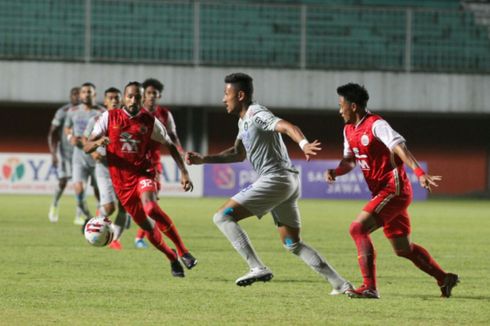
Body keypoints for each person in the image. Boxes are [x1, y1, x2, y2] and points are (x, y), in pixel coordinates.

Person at [186, 73, 352, 293]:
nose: (223, 99)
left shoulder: (256, 113)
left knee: (222, 216)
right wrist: (204, 160)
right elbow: (237, 153)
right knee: (292, 243)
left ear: (241, 95)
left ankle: (257, 267)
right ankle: (340, 284)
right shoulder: (242, 120)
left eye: (227, 94)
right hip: (288, 181)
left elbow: (286, 126)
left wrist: (302, 144)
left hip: (276, 178)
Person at [325, 83, 459, 299]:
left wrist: (418, 172)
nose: (340, 110)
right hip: (381, 193)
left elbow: (399, 147)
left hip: (393, 190)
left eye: (342, 105)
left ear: (354, 106)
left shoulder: (376, 124)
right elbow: (350, 161)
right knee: (403, 249)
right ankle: (444, 278)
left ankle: (369, 287)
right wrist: (336, 171)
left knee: (357, 229)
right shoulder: (348, 130)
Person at [84, 81, 197, 277]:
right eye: (130, 96)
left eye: (137, 96)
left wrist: (184, 172)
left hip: (143, 174)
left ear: (142, 98)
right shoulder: (109, 117)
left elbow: (169, 144)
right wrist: (97, 142)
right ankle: (171, 257)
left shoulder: (149, 120)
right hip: (121, 184)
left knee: (151, 208)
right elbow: (87, 146)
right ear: (124, 97)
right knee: (146, 226)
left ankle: (183, 250)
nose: (133, 100)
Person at [133, 78, 185, 249]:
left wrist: (181, 151)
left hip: (153, 162)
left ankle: (140, 237)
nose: (151, 97)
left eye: (154, 94)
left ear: (159, 95)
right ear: (143, 95)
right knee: (135, 201)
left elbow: (173, 135)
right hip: (133, 160)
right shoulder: (136, 112)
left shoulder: (165, 114)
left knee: (152, 200)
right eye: (148, 93)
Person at [83, 87, 128, 250]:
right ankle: (95, 226)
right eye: (111, 98)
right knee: (109, 207)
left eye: (117, 98)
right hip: (104, 168)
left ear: (122, 100)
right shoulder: (97, 119)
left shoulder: (128, 120)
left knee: (125, 207)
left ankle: (114, 239)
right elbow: (85, 140)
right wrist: (95, 150)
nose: (114, 100)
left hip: (124, 170)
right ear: (105, 101)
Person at [65, 82, 104, 228]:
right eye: (84, 92)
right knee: (78, 189)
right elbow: (67, 128)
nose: (86, 94)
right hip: (78, 157)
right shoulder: (73, 111)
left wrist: (97, 149)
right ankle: (88, 217)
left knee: (98, 191)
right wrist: (70, 138)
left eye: (89, 92)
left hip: (96, 158)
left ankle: (101, 219)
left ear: (94, 94)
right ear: (80, 94)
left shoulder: (101, 112)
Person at [47, 87, 82, 223]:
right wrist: (53, 153)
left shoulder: (87, 112)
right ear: (70, 96)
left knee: (79, 183)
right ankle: (54, 204)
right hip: (65, 153)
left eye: (79, 94)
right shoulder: (63, 112)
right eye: (74, 94)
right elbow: (52, 133)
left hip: (80, 153)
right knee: (63, 181)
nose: (77, 97)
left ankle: (79, 214)